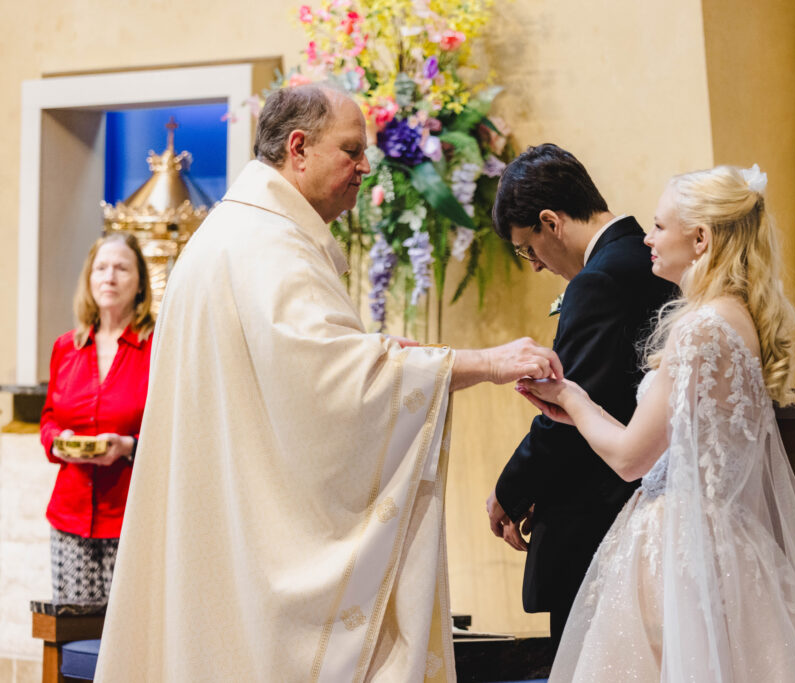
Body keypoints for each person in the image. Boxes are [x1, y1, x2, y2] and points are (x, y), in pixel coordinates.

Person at [94, 84, 561, 683]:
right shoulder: (270, 246)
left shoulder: (229, 233)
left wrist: (387, 354)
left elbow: (300, 374)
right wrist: (488, 363)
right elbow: (340, 387)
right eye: (352, 150)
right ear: (298, 148)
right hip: (255, 543)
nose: (366, 166)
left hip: (223, 524)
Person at [518, 165, 795, 681]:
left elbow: (631, 458)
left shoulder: (699, 329)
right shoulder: (736, 317)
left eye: (659, 226)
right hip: (729, 543)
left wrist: (570, 397)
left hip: (679, 548)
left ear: (700, 239)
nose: (646, 238)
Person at [485, 143, 677, 646]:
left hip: (599, 522)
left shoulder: (599, 281)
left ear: (551, 222)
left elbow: (572, 408)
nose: (536, 265)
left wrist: (510, 490)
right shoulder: (653, 260)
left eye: (528, 248)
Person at [39, 233, 154, 606]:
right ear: (89, 279)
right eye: (101, 268)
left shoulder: (157, 347)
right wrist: (58, 440)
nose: (109, 277)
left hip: (132, 519)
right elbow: (49, 418)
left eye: (122, 268)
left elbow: (174, 428)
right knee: (74, 641)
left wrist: (129, 446)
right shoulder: (65, 348)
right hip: (70, 520)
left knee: (127, 642)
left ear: (139, 283)